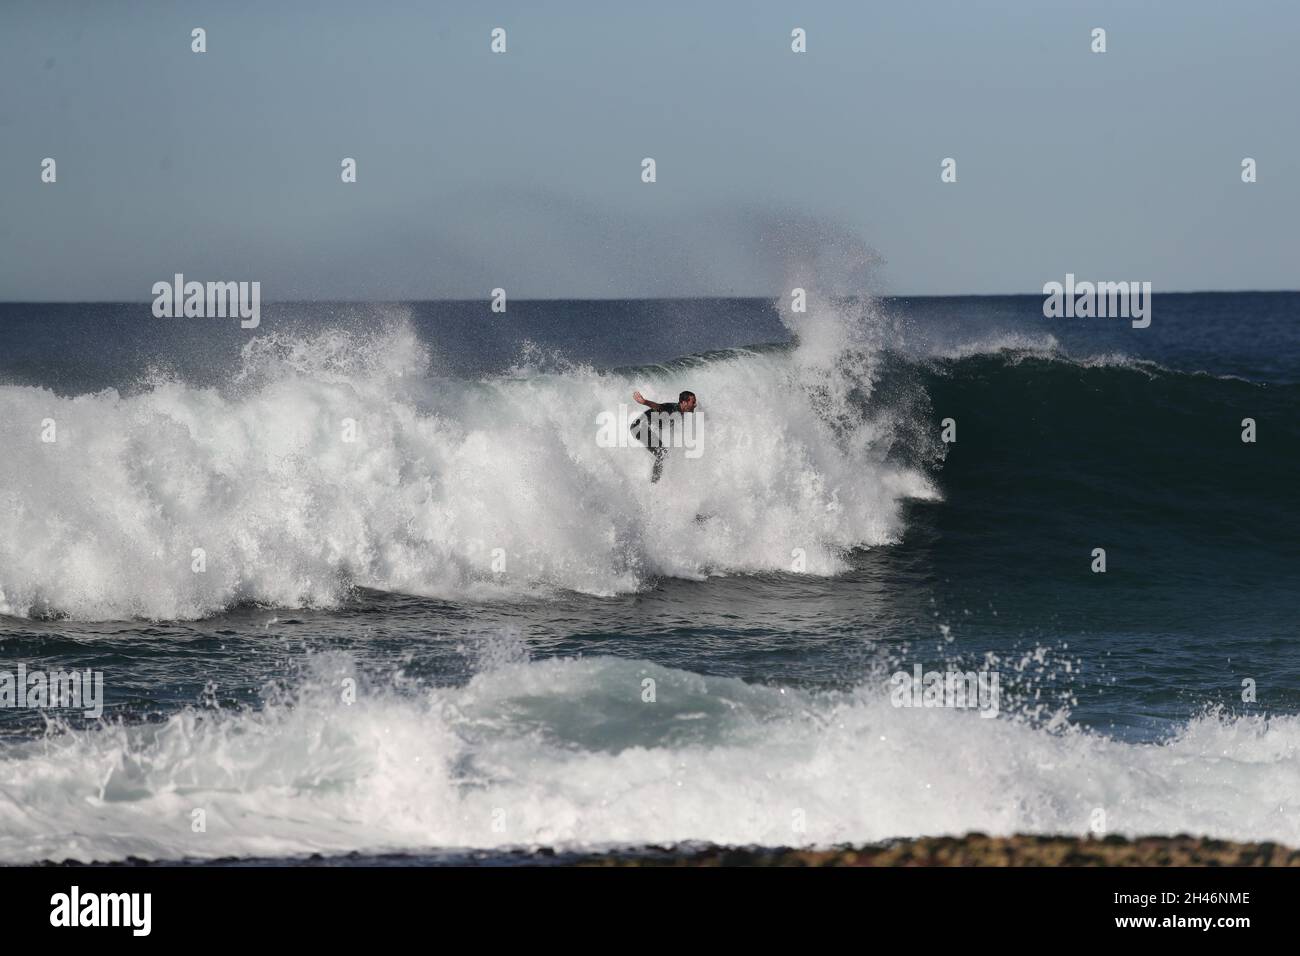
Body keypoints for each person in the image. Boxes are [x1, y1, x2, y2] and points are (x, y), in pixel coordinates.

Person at [630, 389, 697, 482]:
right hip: (639, 427)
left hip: (644, 427)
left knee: (664, 453)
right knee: (662, 453)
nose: (695, 405)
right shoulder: (672, 408)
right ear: (684, 402)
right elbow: (658, 407)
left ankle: (655, 480)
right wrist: (644, 401)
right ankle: (654, 483)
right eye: (693, 402)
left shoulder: (681, 413)